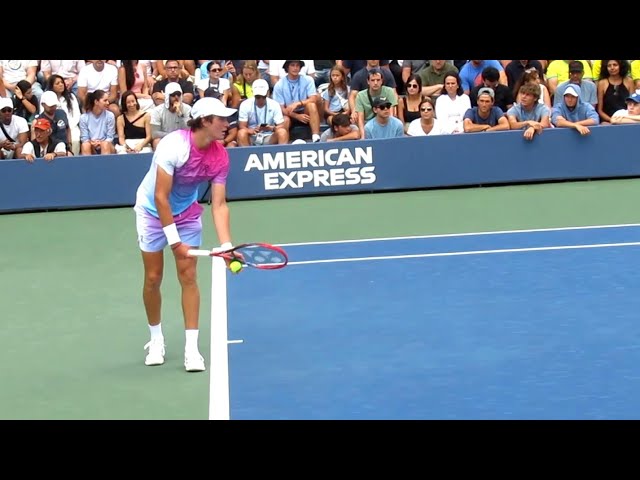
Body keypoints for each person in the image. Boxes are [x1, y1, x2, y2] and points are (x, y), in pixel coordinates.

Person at [133, 97, 238, 372]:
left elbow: (219, 204)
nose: (227, 124)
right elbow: (160, 197)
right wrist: (174, 241)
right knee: (153, 278)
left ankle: (192, 349)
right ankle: (156, 340)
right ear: (205, 121)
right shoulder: (174, 146)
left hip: (187, 213)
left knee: (189, 275)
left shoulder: (221, 156)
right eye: (222, 119)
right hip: (152, 212)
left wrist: (226, 244)